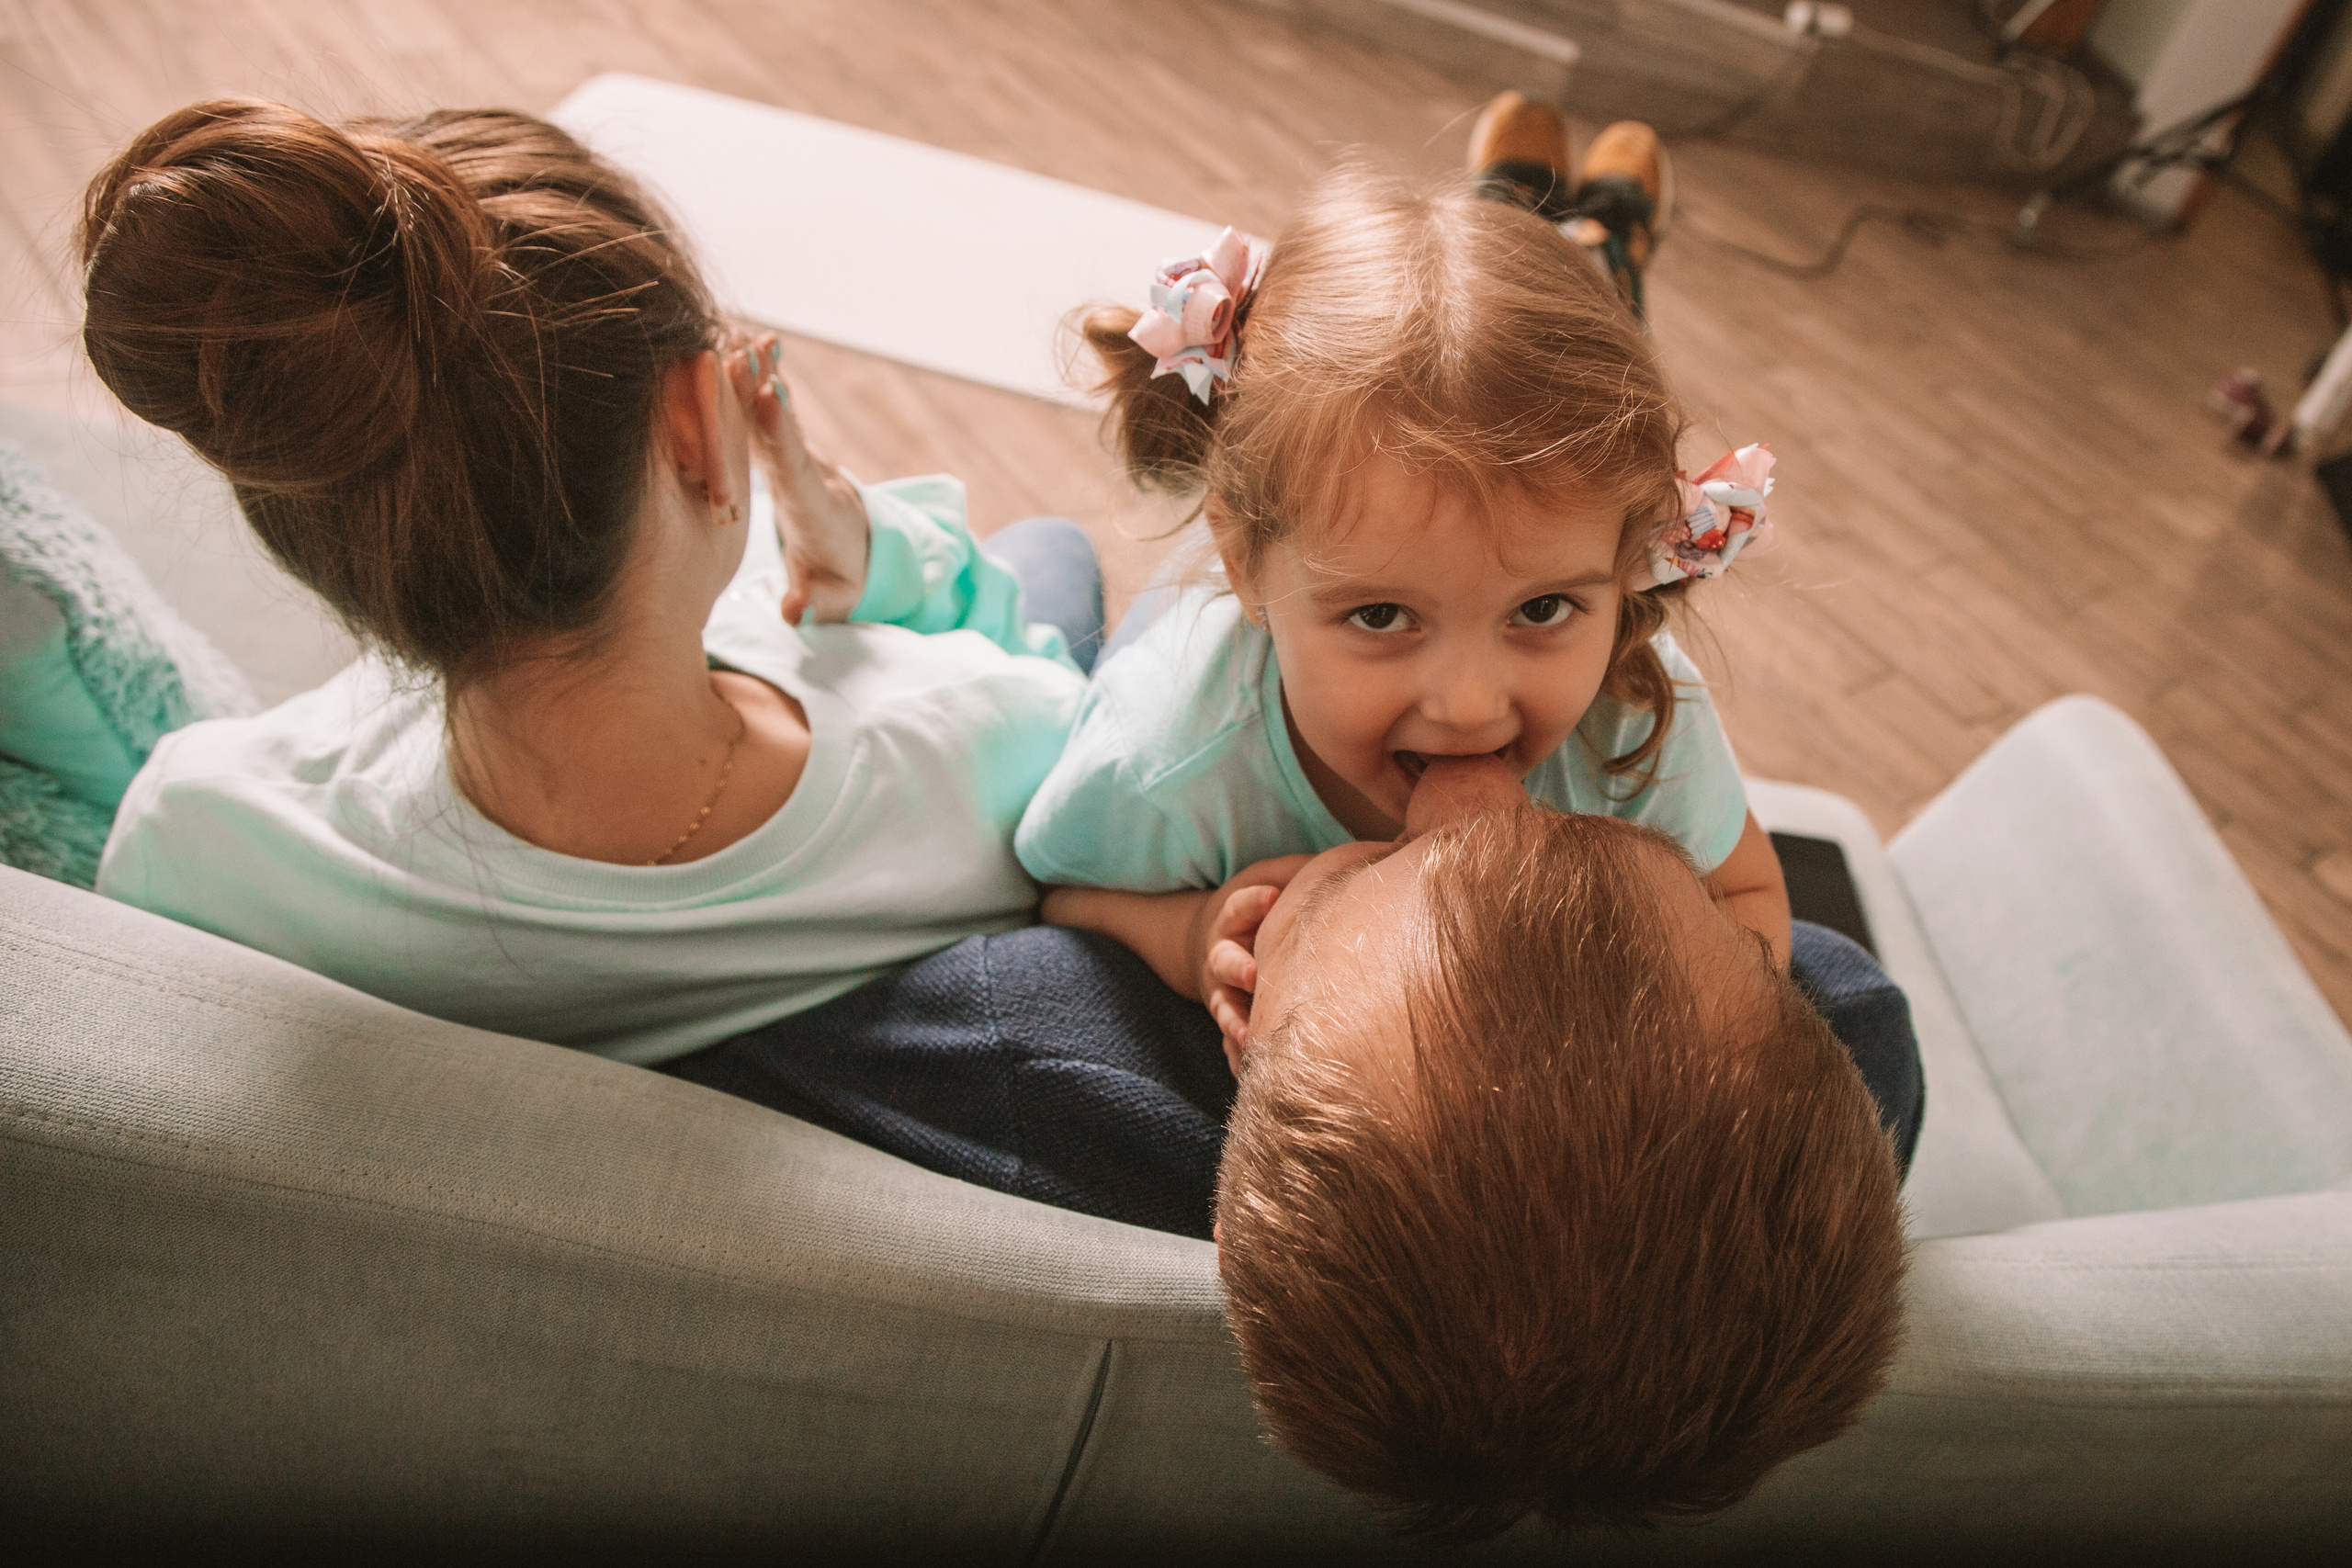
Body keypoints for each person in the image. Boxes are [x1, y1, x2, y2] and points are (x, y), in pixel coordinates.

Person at [1011, 106, 1913, 1535]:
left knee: (1531, 355)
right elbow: (1061, 892)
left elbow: (1748, 901)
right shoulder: (1175, 745)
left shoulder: (1630, 719)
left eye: (1546, 608)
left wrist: (1660, 1034)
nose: (1474, 699)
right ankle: (1572, 232)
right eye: (1379, 616)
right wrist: (1187, 934)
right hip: (1215, 642)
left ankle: (1564, 229)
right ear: (1246, 562)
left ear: (1629, 578)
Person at [80, 98, 1117, 1066]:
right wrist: (880, 560)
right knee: (1049, 555)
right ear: (694, 430)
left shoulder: (196, 838)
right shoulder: (995, 748)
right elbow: (1088, 760)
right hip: (864, 716)